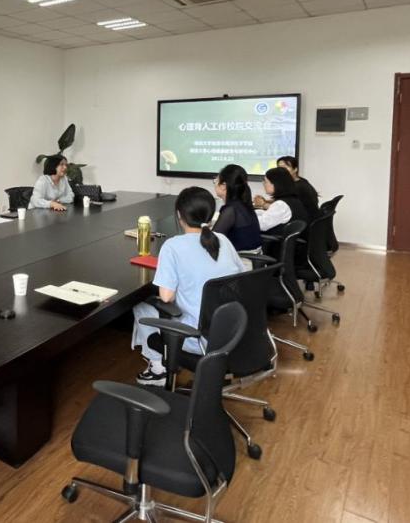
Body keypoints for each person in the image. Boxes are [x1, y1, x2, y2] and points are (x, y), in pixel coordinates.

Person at [131, 187, 246, 387]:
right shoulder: (224, 240)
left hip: (198, 338)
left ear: (179, 215)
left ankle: (158, 369)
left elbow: (166, 297)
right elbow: (241, 277)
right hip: (235, 330)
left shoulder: (173, 246)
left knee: (142, 306)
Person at [212, 164, 262, 252]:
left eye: (215, 181)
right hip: (252, 255)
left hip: (241, 258)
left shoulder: (231, 210)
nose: (214, 184)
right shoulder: (242, 204)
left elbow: (212, 241)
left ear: (224, 186)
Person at [253, 166, 309, 234]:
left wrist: (246, 217)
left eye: (266, 181)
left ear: (275, 184)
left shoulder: (281, 205)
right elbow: (271, 215)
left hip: (273, 239)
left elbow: (261, 225)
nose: (263, 183)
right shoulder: (292, 199)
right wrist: (252, 213)